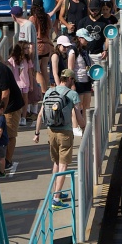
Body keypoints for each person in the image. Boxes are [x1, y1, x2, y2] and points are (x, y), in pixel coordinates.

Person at [32, 68, 85, 210]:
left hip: (51, 131)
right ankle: (56, 200)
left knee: (55, 162)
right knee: (63, 165)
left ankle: (56, 192)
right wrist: (84, 127)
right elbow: (79, 117)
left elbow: (40, 114)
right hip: (65, 133)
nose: (73, 83)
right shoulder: (72, 94)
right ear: (68, 79)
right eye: (72, 80)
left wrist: (37, 133)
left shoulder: (49, 92)